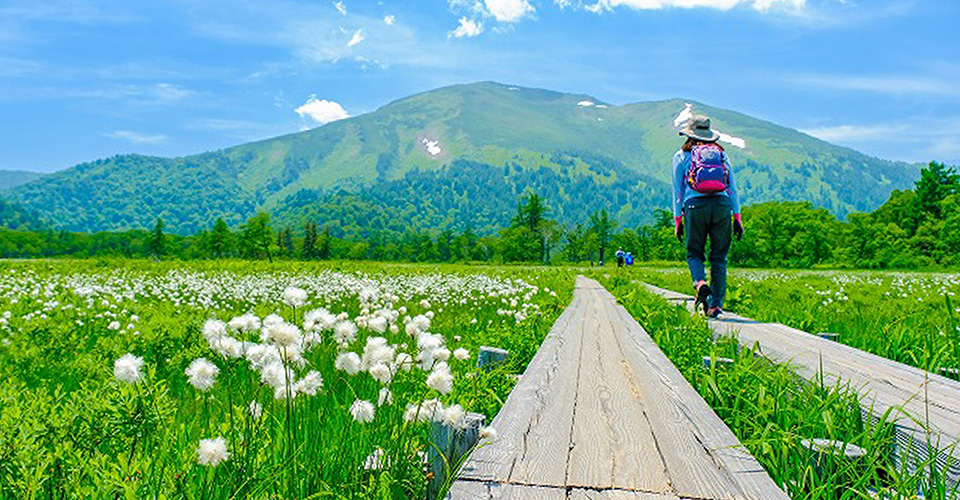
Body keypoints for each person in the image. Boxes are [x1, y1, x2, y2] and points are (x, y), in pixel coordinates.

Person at [672, 115, 744, 318]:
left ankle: (700, 283)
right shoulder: (722, 155)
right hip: (722, 206)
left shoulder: (681, 156)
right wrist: (737, 217)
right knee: (719, 258)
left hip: (695, 206)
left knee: (694, 253)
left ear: (689, 134)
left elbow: (677, 191)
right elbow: (733, 189)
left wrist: (678, 220)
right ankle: (715, 306)